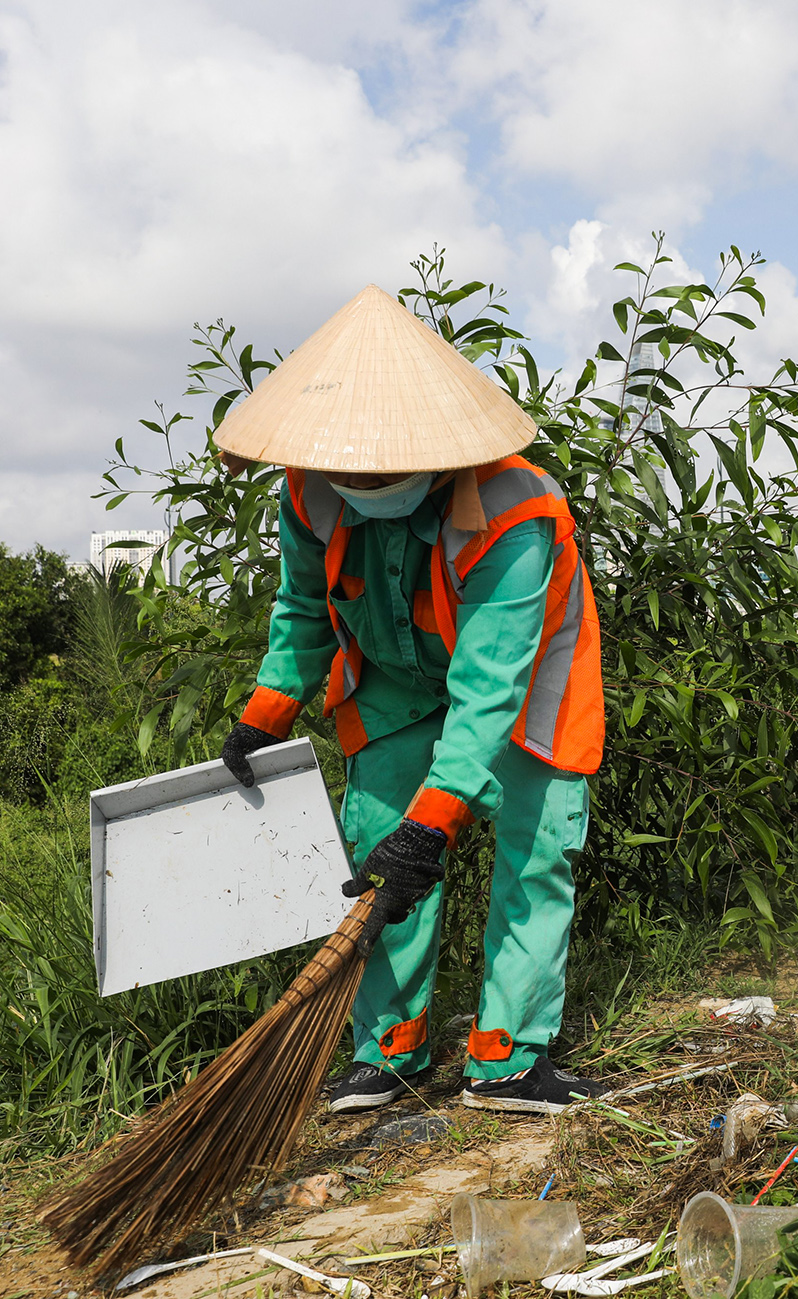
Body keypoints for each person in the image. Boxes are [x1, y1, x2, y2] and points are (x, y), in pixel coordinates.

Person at [211, 285, 607, 1115]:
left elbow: (488, 690)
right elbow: (302, 608)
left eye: (387, 463)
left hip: (528, 680)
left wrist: (434, 826)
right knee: (376, 845)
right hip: (396, 674)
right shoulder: (312, 490)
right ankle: (389, 1048)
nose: (366, 477)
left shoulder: (515, 512)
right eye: (351, 462)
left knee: (535, 847)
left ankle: (507, 1054)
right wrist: (266, 711)